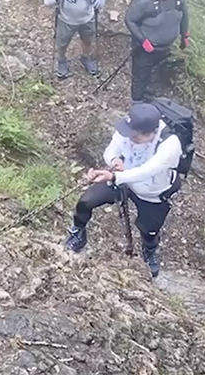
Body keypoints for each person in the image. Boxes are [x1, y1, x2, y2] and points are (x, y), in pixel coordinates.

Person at [65, 103, 183, 278]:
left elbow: (147, 171)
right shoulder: (128, 128)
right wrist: (114, 161)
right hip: (122, 178)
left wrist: (114, 177)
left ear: (150, 133)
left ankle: (149, 251)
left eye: (135, 137)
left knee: (149, 229)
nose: (130, 138)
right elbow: (111, 150)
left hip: (151, 191)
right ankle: (78, 231)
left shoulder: (170, 145)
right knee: (86, 202)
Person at [124, 0, 190, 102]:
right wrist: (142, 41)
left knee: (155, 77)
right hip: (145, 49)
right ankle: (136, 105)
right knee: (140, 78)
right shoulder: (144, 0)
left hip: (166, 48)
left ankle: (149, 102)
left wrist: (184, 36)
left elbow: (184, 16)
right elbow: (130, 20)